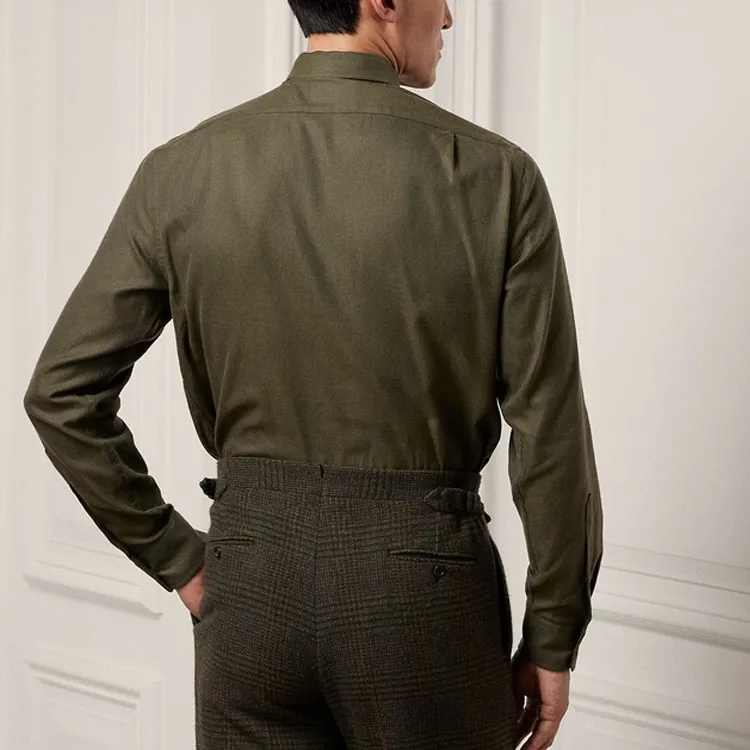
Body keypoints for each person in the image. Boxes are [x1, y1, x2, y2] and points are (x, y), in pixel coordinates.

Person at [23, 0, 604, 748]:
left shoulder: (182, 169)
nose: (450, 17)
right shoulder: (497, 175)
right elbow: (548, 429)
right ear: (383, 3)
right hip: (422, 592)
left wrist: (178, 558)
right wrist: (553, 632)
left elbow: (61, 394)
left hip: (250, 586)